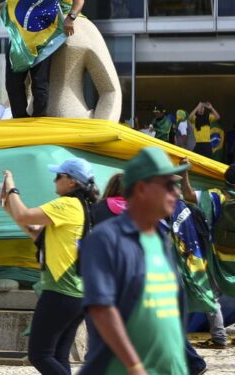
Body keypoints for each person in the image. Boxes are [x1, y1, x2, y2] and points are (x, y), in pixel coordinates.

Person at [79, 147, 190, 374]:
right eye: (169, 186)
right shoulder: (106, 239)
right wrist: (135, 366)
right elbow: (102, 309)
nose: (177, 193)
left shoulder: (160, 239)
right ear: (141, 188)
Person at [1, 157, 97, 375]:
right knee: (57, 355)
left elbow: (25, 214)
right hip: (78, 293)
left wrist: (12, 187)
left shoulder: (66, 204)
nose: (54, 181)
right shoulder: (82, 207)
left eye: (58, 176)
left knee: (39, 355)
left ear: (72, 182)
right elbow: (36, 234)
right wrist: (9, 208)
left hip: (60, 292)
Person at [0, 0, 86, 118]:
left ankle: (38, 121)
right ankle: (20, 119)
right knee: (12, 84)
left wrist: (71, 17)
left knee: (40, 84)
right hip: (20, 39)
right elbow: (13, 3)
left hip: (45, 35)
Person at [181, 162, 235, 349]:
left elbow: (187, 195)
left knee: (213, 297)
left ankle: (219, 338)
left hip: (216, 255)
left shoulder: (213, 196)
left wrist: (185, 172)